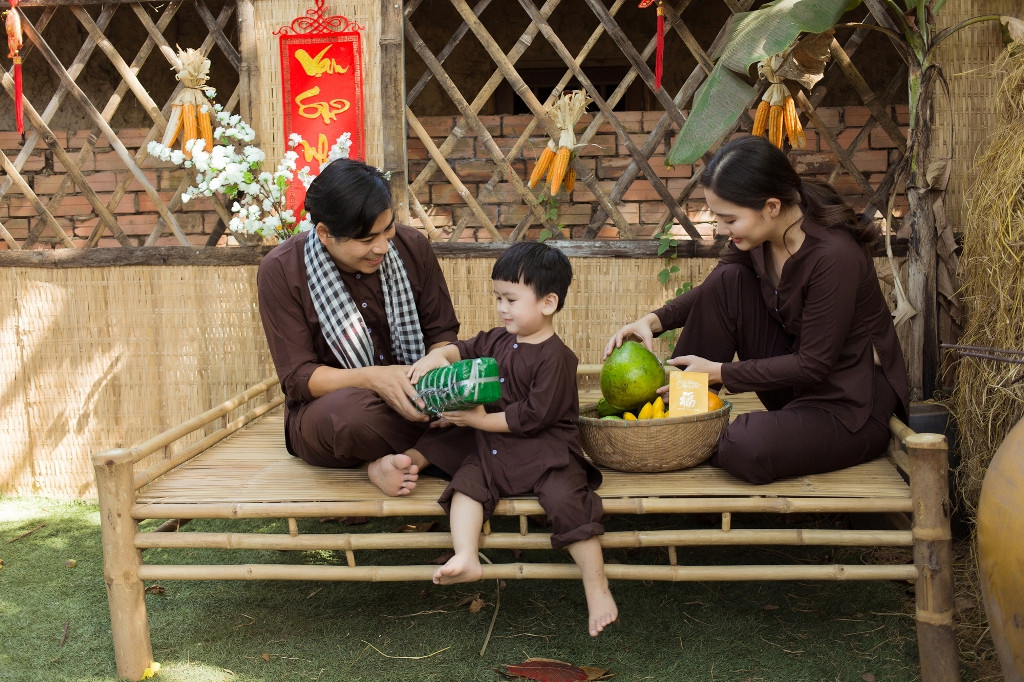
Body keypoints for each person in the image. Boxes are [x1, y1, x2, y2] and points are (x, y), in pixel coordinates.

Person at [605, 135, 910, 484]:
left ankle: (702, 430)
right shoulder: (761, 237)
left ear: (772, 206)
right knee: (729, 280)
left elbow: (814, 364)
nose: (721, 229)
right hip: (792, 385)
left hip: (847, 405)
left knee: (745, 442)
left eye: (730, 219)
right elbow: (714, 290)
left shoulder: (833, 256)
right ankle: (683, 422)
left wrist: (720, 372)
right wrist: (652, 321)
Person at [408, 241, 618, 637]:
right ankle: (467, 556)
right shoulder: (499, 340)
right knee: (466, 487)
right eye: (498, 298)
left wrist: (477, 421)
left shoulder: (557, 358)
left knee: (566, 502)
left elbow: (535, 415)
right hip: (497, 450)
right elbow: (466, 348)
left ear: (548, 303)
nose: (502, 308)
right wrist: (442, 355)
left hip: (547, 452)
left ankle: (597, 586)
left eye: (510, 299)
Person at [257, 158, 466, 496]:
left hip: (421, 395)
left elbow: (442, 336)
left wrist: (434, 378)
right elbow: (298, 378)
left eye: (388, 229)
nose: (383, 246)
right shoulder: (281, 270)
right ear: (325, 233)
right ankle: (458, 442)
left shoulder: (413, 247)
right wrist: (375, 379)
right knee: (349, 417)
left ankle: (402, 460)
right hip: (338, 410)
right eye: (368, 238)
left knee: (498, 386)